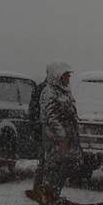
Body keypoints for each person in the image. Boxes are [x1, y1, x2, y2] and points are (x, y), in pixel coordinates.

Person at [40, 62, 84, 196]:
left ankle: (55, 196)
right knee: (53, 169)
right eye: (66, 75)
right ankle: (48, 199)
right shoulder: (49, 93)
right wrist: (61, 136)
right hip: (56, 140)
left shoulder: (65, 91)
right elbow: (50, 117)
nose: (68, 78)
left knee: (62, 169)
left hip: (67, 137)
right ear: (57, 76)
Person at [28, 68, 49, 191]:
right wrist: (38, 129)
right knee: (45, 164)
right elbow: (34, 111)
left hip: (50, 133)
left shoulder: (58, 90)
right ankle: (39, 191)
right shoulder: (42, 90)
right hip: (45, 133)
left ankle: (45, 193)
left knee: (48, 164)